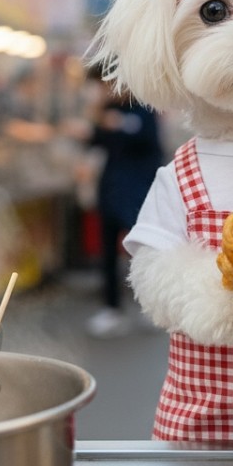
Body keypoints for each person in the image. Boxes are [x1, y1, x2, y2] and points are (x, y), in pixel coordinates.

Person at [83, 85, 164, 338]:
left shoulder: (144, 110)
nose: (106, 90)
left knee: (140, 250)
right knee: (108, 252)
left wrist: (116, 124)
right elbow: (94, 140)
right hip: (110, 189)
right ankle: (112, 308)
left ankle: (149, 307)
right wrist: (95, 118)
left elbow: (148, 140)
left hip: (138, 192)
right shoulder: (108, 110)